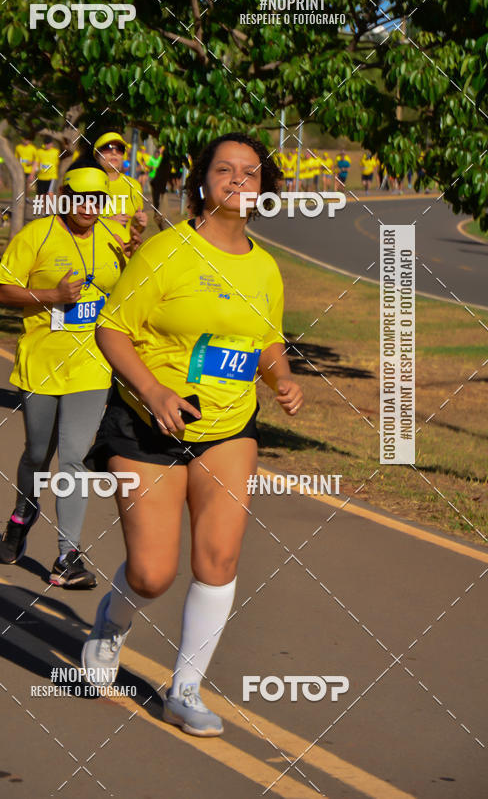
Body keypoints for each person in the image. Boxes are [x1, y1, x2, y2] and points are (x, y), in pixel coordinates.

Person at [82, 132, 304, 737]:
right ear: (201, 181)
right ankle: (111, 622)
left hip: (229, 427)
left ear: (265, 189)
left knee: (219, 560)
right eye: (225, 170)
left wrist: (282, 378)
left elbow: (266, 338)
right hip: (147, 423)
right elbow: (111, 330)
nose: (238, 180)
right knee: (153, 573)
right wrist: (154, 392)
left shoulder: (264, 266)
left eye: (251, 173)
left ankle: (185, 690)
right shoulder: (164, 252)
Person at [0, 165, 137, 586]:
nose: (91, 207)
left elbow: (129, 291)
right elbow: (0, 288)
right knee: (38, 454)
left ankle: (66, 557)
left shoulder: (113, 237)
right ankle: (23, 513)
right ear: (64, 197)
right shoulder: (35, 236)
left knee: (75, 459)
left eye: (99, 200)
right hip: (41, 363)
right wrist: (51, 296)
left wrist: (134, 256)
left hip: (92, 367)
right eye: (83, 198)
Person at [94, 132, 147, 231]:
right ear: (97, 154)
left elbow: (136, 230)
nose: (114, 152)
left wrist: (139, 224)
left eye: (119, 149)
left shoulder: (134, 185)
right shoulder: (88, 182)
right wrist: (107, 222)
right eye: (107, 147)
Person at [34, 136, 60, 209]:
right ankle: (45, 211)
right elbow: (36, 163)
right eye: (45, 143)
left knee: (50, 194)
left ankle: (51, 210)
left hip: (52, 177)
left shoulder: (56, 152)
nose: (47, 145)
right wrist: (32, 174)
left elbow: (59, 164)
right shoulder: (39, 152)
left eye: (48, 143)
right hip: (41, 177)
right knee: (41, 196)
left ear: (52, 144)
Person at [15, 133, 37, 202]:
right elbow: (15, 159)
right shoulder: (18, 147)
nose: (27, 141)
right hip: (20, 170)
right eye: (25, 140)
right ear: (22, 140)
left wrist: (31, 162)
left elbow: (37, 160)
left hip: (29, 170)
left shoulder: (33, 148)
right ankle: (20, 197)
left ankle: (26, 198)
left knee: (28, 185)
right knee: (20, 185)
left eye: (28, 140)